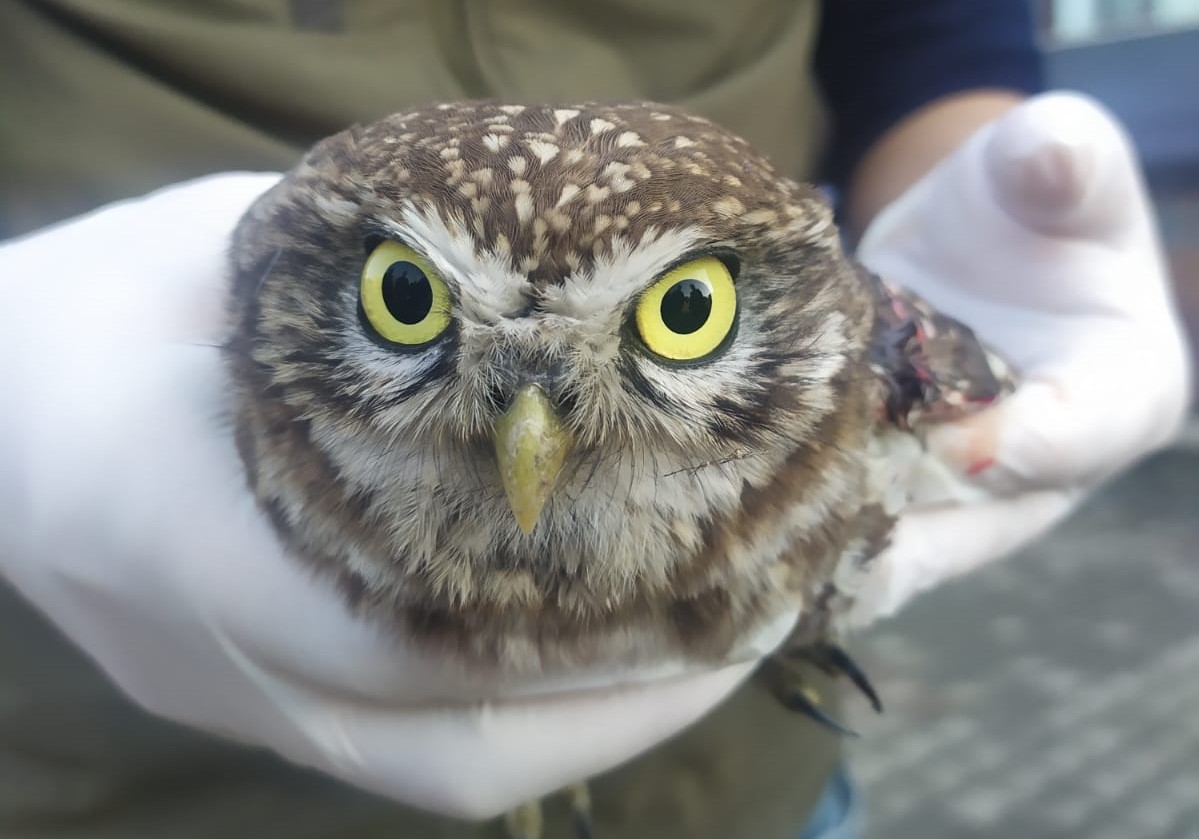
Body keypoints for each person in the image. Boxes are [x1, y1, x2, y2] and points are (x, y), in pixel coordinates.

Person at [0, 1, 1189, 837]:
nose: (533, 432)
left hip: (738, 799)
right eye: (405, 302)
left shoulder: (856, 367)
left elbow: (917, 25)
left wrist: (972, 180)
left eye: (683, 314)